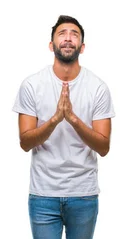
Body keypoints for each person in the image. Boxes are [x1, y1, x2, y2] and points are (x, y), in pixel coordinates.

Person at [13, 15, 114, 239]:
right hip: (43, 194)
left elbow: (104, 147)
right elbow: (25, 142)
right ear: (51, 45)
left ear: (82, 47)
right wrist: (55, 119)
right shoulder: (32, 85)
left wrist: (73, 120)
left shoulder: (97, 87)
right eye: (62, 34)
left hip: (84, 194)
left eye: (74, 34)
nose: (68, 39)